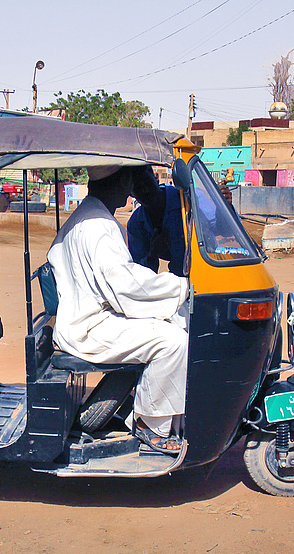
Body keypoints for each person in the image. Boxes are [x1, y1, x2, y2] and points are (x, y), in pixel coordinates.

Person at [47, 165, 188, 455]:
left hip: (86, 316)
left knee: (172, 321)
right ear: (124, 180)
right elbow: (126, 286)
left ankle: (159, 403)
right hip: (89, 327)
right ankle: (152, 424)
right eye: (132, 180)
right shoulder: (99, 226)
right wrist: (181, 287)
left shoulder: (91, 215)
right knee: (174, 341)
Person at [127, 166, 185, 276]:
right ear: (131, 193)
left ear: (156, 178)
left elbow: (218, 228)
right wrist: (153, 254)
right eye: (138, 188)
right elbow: (140, 274)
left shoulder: (185, 200)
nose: (145, 190)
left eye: (148, 182)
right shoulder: (136, 224)